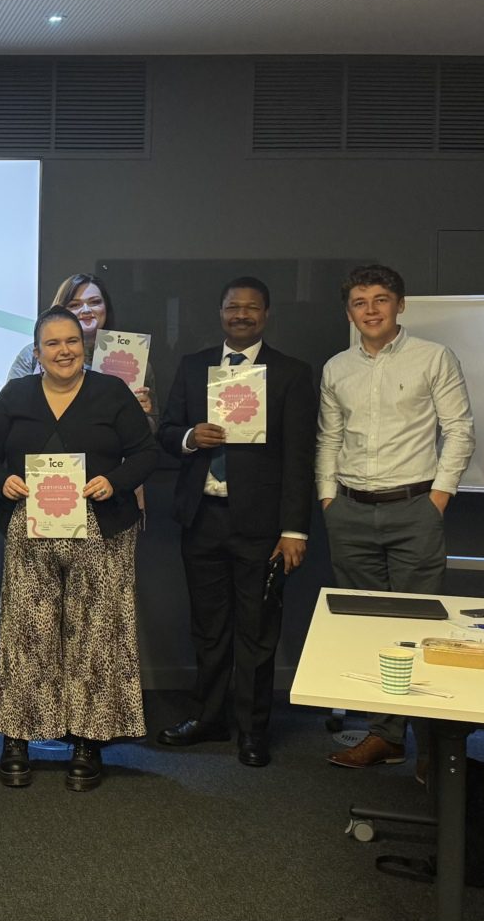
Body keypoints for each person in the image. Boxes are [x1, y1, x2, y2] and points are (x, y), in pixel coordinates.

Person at [0, 307, 156, 791]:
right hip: (30, 532)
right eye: (52, 343)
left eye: (71, 341)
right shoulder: (15, 395)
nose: (63, 351)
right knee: (26, 636)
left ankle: (86, 741)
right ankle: (18, 739)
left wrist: (113, 481)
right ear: (36, 352)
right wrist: (4, 481)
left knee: (95, 638)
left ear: (84, 346)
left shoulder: (111, 393)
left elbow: (145, 454)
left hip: (101, 532)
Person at [317, 264, 474, 770]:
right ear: (349, 312)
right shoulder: (337, 368)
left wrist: (440, 496)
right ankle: (386, 736)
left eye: (381, 299)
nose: (371, 310)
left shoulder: (434, 358)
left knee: (419, 628)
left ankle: (434, 751)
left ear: (400, 305)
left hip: (415, 510)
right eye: (360, 302)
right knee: (368, 629)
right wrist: (327, 499)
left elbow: (460, 430)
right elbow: (329, 438)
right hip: (351, 512)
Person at [156, 277, 314, 768]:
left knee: (257, 631)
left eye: (250, 308)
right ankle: (209, 718)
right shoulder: (193, 366)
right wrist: (188, 437)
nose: (240, 315)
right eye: (232, 307)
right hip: (203, 517)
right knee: (208, 628)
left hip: (262, 525)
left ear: (265, 314)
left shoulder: (290, 373)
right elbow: (164, 432)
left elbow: (298, 456)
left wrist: (295, 529)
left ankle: (252, 729)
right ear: (220, 312)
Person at [4, 272, 156, 421]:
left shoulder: (135, 361)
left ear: (106, 308)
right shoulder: (31, 355)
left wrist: (142, 415)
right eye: (74, 304)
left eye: (94, 302)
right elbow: (8, 412)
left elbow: (152, 430)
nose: (86, 310)